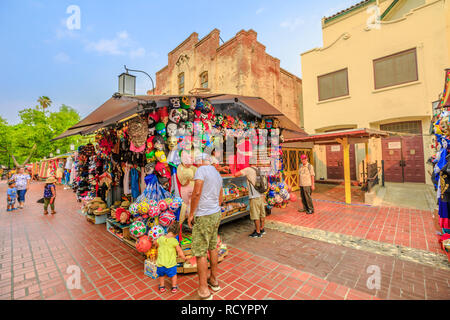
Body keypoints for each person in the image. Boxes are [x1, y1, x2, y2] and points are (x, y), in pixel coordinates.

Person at [187, 153, 223, 300]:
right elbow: (221, 198)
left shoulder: (201, 170)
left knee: (201, 251)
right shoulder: (216, 173)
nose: (196, 164)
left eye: (197, 162)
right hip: (215, 213)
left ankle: (203, 289)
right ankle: (214, 280)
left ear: (202, 161)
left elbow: (196, 193)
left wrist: (191, 214)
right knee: (212, 247)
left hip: (204, 215)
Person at [155, 221, 186, 294]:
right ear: (176, 234)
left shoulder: (161, 238)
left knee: (161, 275)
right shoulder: (174, 241)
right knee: (174, 275)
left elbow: (155, 242)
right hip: (171, 264)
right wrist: (184, 257)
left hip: (160, 263)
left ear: (168, 230)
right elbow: (179, 251)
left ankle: (162, 287)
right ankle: (174, 287)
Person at [234, 166, 266, 238]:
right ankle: (262, 229)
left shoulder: (248, 169)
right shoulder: (258, 169)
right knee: (262, 213)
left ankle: (257, 232)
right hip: (261, 195)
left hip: (254, 197)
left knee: (255, 215)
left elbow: (236, 174)